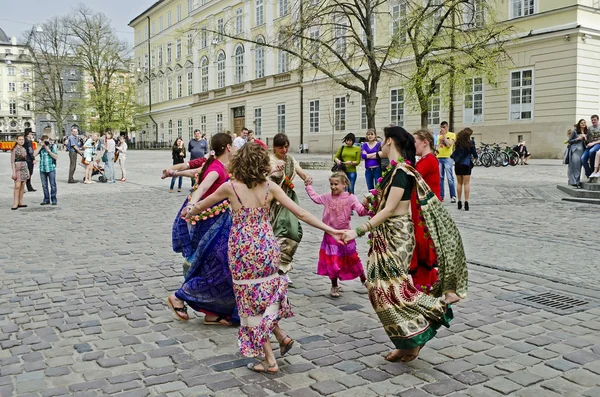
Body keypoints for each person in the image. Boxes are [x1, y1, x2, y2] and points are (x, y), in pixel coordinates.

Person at [189, 142, 342, 374]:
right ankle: (281, 336)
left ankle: (269, 360)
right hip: (266, 247)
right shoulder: (270, 187)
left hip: (242, 249)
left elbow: (201, 206)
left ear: (239, 163)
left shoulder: (230, 187)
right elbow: (301, 213)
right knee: (265, 295)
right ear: (262, 164)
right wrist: (331, 230)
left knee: (250, 304)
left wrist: (190, 209)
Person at [343, 125, 467, 363]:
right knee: (381, 290)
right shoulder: (392, 172)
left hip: (397, 238)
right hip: (385, 236)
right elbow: (383, 204)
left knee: (392, 290)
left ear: (389, 141)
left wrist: (356, 231)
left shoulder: (401, 172)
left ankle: (433, 312)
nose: (378, 143)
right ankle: (405, 341)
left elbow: (390, 210)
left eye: (381, 139)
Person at [166, 133, 239, 326]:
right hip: (210, 224)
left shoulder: (219, 166)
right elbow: (202, 187)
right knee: (217, 266)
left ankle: (212, 313)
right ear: (229, 147)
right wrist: (192, 206)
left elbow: (195, 173)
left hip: (219, 221)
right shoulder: (216, 168)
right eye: (234, 145)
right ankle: (178, 297)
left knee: (217, 266)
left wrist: (175, 173)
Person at [305, 172, 368, 298]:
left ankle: (364, 280)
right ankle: (334, 285)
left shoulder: (351, 198)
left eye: (336, 184)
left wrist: (367, 204)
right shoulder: (327, 197)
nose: (333, 187)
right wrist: (308, 186)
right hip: (330, 234)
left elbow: (361, 212)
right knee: (333, 261)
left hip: (346, 235)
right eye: (331, 184)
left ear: (344, 184)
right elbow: (316, 198)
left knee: (353, 258)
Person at [269, 133, 313, 278]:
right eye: (281, 147)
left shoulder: (290, 160)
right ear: (274, 147)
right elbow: (262, 176)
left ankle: (283, 266)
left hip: (287, 200)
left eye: (286, 146)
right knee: (273, 234)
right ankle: (274, 267)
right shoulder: (270, 160)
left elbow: (300, 172)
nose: (284, 150)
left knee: (291, 231)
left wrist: (307, 177)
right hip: (271, 202)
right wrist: (274, 170)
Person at [410, 129, 441, 293]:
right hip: (420, 211)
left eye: (415, 142)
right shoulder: (425, 159)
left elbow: (412, 177)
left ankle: (426, 288)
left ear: (425, 142)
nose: (414, 145)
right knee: (421, 247)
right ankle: (429, 288)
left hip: (424, 213)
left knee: (423, 247)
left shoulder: (428, 160)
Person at [451, 128, 478, 211]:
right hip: (466, 165)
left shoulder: (458, 142)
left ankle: (459, 202)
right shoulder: (471, 143)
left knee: (459, 183)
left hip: (458, 165)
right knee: (466, 183)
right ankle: (466, 202)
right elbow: (475, 154)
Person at [33, 135, 58, 206]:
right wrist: (41, 146)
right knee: (44, 185)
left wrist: (48, 150)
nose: (46, 142)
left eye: (47, 140)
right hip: (42, 168)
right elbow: (33, 155)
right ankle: (46, 199)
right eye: (45, 141)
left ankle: (53, 199)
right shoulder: (41, 148)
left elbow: (56, 157)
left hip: (51, 168)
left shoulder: (53, 146)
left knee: (53, 185)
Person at [437, 121, 457, 203]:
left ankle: (453, 196)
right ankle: (441, 195)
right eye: (441, 127)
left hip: (448, 158)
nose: (443, 129)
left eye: (444, 127)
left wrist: (444, 136)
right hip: (439, 157)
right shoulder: (439, 137)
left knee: (450, 178)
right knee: (440, 178)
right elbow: (439, 146)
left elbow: (449, 145)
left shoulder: (452, 135)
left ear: (447, 127)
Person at [10, 135, 29, 210]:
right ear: (17, 140)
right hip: (17, 168)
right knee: (17, 186)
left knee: (22, 185)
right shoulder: (14, 149)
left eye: (22, 140)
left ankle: (20, 202)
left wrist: (28, 171)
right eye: (20, 139)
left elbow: (26, 160)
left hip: (24, 167)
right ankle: (15, 203)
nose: (21, 141)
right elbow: (12, 161)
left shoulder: (24, 149)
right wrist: (13, 172)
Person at [568, 119, 587, 188]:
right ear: (579, 124)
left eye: (584, 123)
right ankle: (574, 182)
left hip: (583, 151)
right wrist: (578, 139)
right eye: (582, 123)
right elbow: (569, 141)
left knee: (579, 166)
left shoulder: (586, 132)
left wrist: (585, 138)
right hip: (575, 150)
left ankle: (577, 181)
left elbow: (588, 141)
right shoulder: (575, 131)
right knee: (575, 165)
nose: (583, 124)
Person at [582, 114, 600, 179]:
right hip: (590, 145)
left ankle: (593, 170)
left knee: (592, 151)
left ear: (598, 120)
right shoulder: (589, 128)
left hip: (597, 144)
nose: (593, 121)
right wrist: (585, 137)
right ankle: (589, 174)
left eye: (594, 120)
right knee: (583, 159)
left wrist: (593, 143)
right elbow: (588, 138)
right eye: (592, 120)